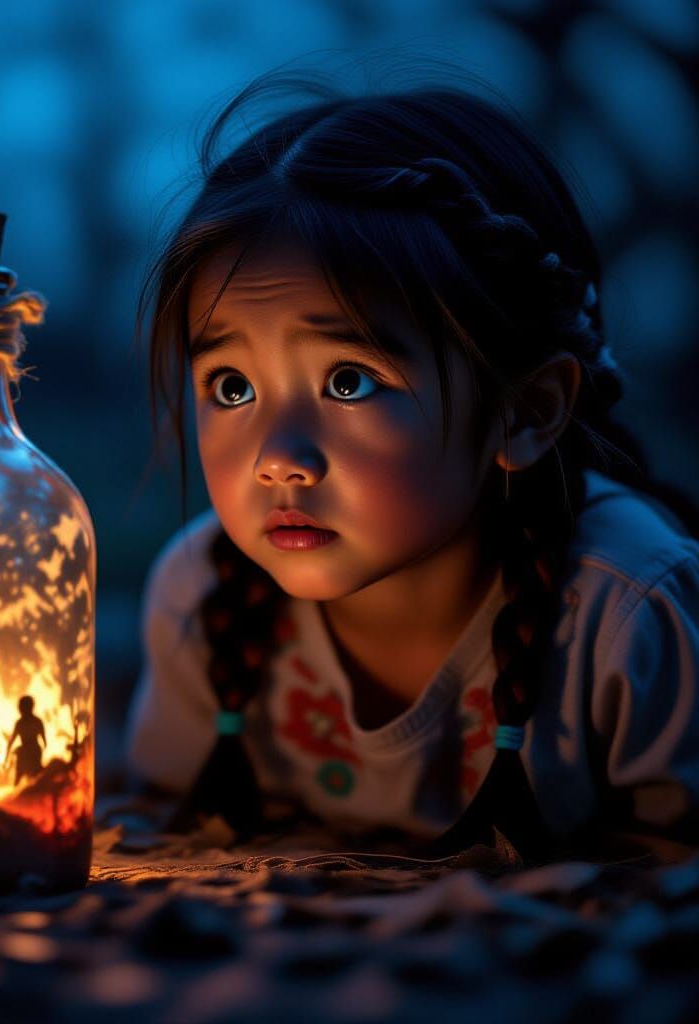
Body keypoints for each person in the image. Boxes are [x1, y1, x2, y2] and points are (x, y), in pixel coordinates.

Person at [125, 74, 699, 863]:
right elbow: (166, 831)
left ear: (526, 411)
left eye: (348, 381)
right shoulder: (202, 594)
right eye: (232, 387)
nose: (277, 460)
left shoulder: (626, 614)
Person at [6, 696, 46, 784]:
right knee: (25, 775)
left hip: (30, 751)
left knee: (33, 776)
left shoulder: (23, 722)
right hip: (31, 750)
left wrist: (7, 756)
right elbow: (44, 741)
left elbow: (11, 741)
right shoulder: (34, 721)